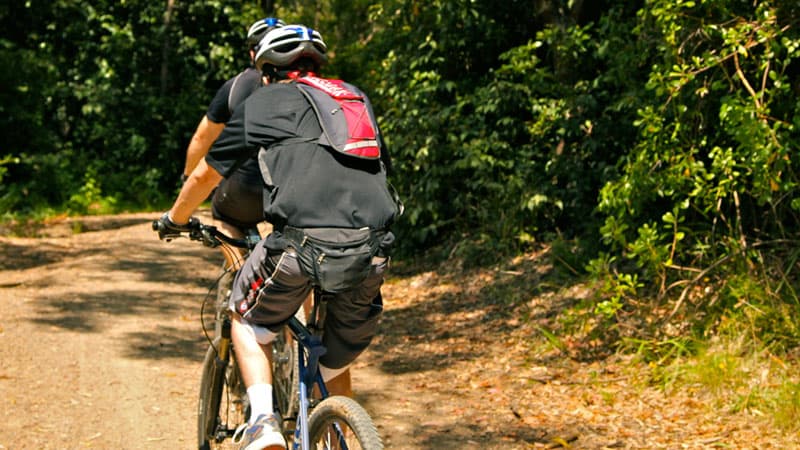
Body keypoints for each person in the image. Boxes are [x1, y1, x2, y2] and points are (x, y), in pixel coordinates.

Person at [156, 25, 401, 450]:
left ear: (266, 71)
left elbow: (205, 174)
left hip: (300, 249)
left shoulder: (263, 101)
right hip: (372, 252)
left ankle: (264, 421)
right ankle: (338, 431)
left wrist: (173, 220)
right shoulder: (354, 99)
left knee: (246, 319)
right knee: (329, 355)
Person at [182, 17, 285, 270]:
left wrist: (187, 178)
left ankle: (240, 279)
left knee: (222, 214)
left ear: (253, 52)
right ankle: (306, 308)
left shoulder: (237, 85)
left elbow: (201, 138)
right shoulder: (307, 88)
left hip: (243, 191)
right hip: (289, 189)